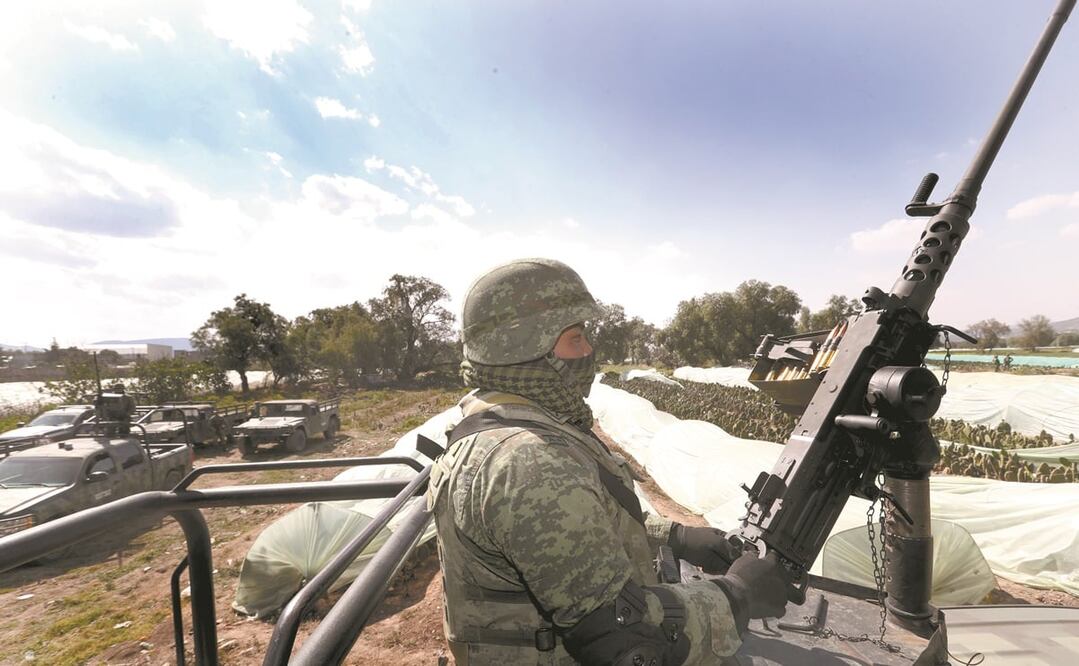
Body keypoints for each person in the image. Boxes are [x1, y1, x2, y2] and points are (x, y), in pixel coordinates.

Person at [427, 258, 789, 665]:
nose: (589, 351)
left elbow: (571, 523)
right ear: (528, 347)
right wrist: (737, 595)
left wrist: (674, 536)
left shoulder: (504, 425)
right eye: (576, 338)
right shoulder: (528, 459)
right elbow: (627, 642)